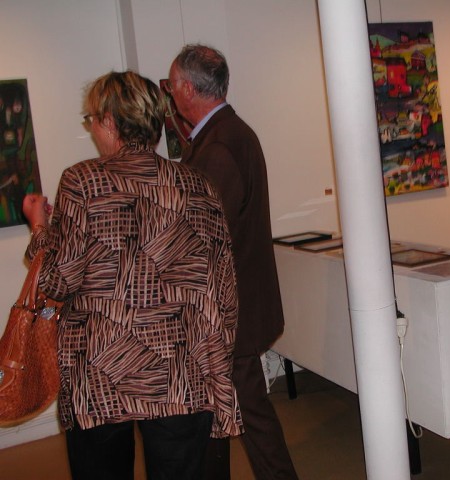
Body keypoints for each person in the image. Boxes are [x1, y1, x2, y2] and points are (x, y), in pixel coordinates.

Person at [21, 71, 242, 480]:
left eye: (91, 120)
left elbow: (57, 280)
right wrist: (216, 363)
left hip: (101, 374)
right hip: (180, 371)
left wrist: (40, 230)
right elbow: (223, 286)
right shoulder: (197, 185)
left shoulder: (82, 181)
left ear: (109, 120)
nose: (92, 129)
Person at [168, 45, 298, 479]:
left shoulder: (219, 146)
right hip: (236, 306)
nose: (170, 93)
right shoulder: (227, 134)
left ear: (189, 89)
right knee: (229, 411)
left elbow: (202, 237)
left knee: (249, 413)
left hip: (228, 312)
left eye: (172, 85)